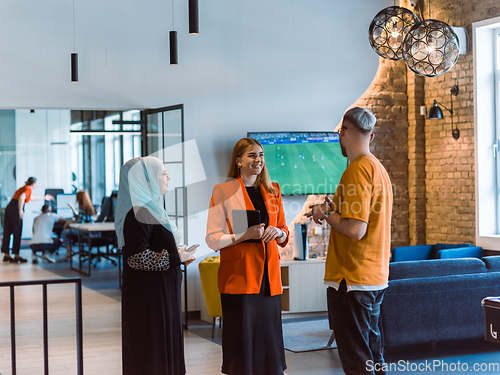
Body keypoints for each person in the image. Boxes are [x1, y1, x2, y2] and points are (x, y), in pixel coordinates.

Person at [305, 107, 393, 375]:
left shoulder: (356, 170)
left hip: (351, 279)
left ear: (344, 131)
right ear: (372, 135)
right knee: (372, 356)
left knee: (356, 360)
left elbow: (356, 229)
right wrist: (331, 210)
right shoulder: (378, 169)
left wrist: (327, 213)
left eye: (340, 131)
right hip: (372, 276)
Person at [205, 138, 289, 375]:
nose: (258, 160)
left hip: (269, 280)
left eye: (260, 155)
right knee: (242, 347)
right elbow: (212, 238)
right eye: (251, 155)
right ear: (238, 161)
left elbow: (284, 232)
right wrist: (244, 235)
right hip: (239, 280)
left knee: (270, 343)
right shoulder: (223, 191)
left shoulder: (274, 189)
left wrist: (279, 232)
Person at [115, 156, 198, 375]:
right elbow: (137, 257)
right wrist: (175, 258)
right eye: (163, 173)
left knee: (162, 345)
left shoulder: (150, 209)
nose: (168, 177)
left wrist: (179, 255)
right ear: (146, 178)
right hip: (150, 297)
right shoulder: (138, 213)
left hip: (160, 292)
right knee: (153, 350)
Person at [2, 177, 54, 263]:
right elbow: (22, 197)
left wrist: (44, 198)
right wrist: (20, 210)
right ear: (33, 184)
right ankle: (16, 255)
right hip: (15, 209)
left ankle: (6, 254)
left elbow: (31, 198)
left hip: (9, 208)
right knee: (17, 231)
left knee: (7, 231)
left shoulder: (24, 188)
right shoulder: (28, 189)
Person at [59, 190, 95, 262]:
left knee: (64, 233)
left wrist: (69, 222)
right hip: (88, 231)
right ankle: (70, 252)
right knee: (67, 231)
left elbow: (80, 222)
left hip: (83, 231)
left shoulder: (83, 208)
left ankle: (69, 253)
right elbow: (79, 217)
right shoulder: (88, 207)